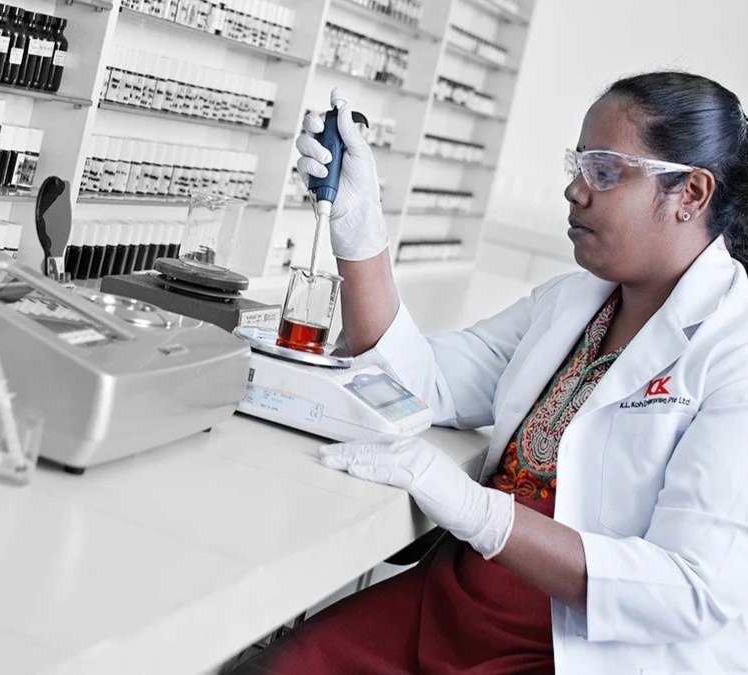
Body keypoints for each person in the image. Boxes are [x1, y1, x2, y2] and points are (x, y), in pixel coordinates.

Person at [236, 72, 748, 673]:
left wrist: (481, 512)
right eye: (577, 165)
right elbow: (420, 384)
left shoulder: (732, 351)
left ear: (691, 193)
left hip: (574, 651)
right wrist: (359, 227)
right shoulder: (571, 303)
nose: (574, 191)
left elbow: (689, 591)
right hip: (455, 601)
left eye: (604, 171)